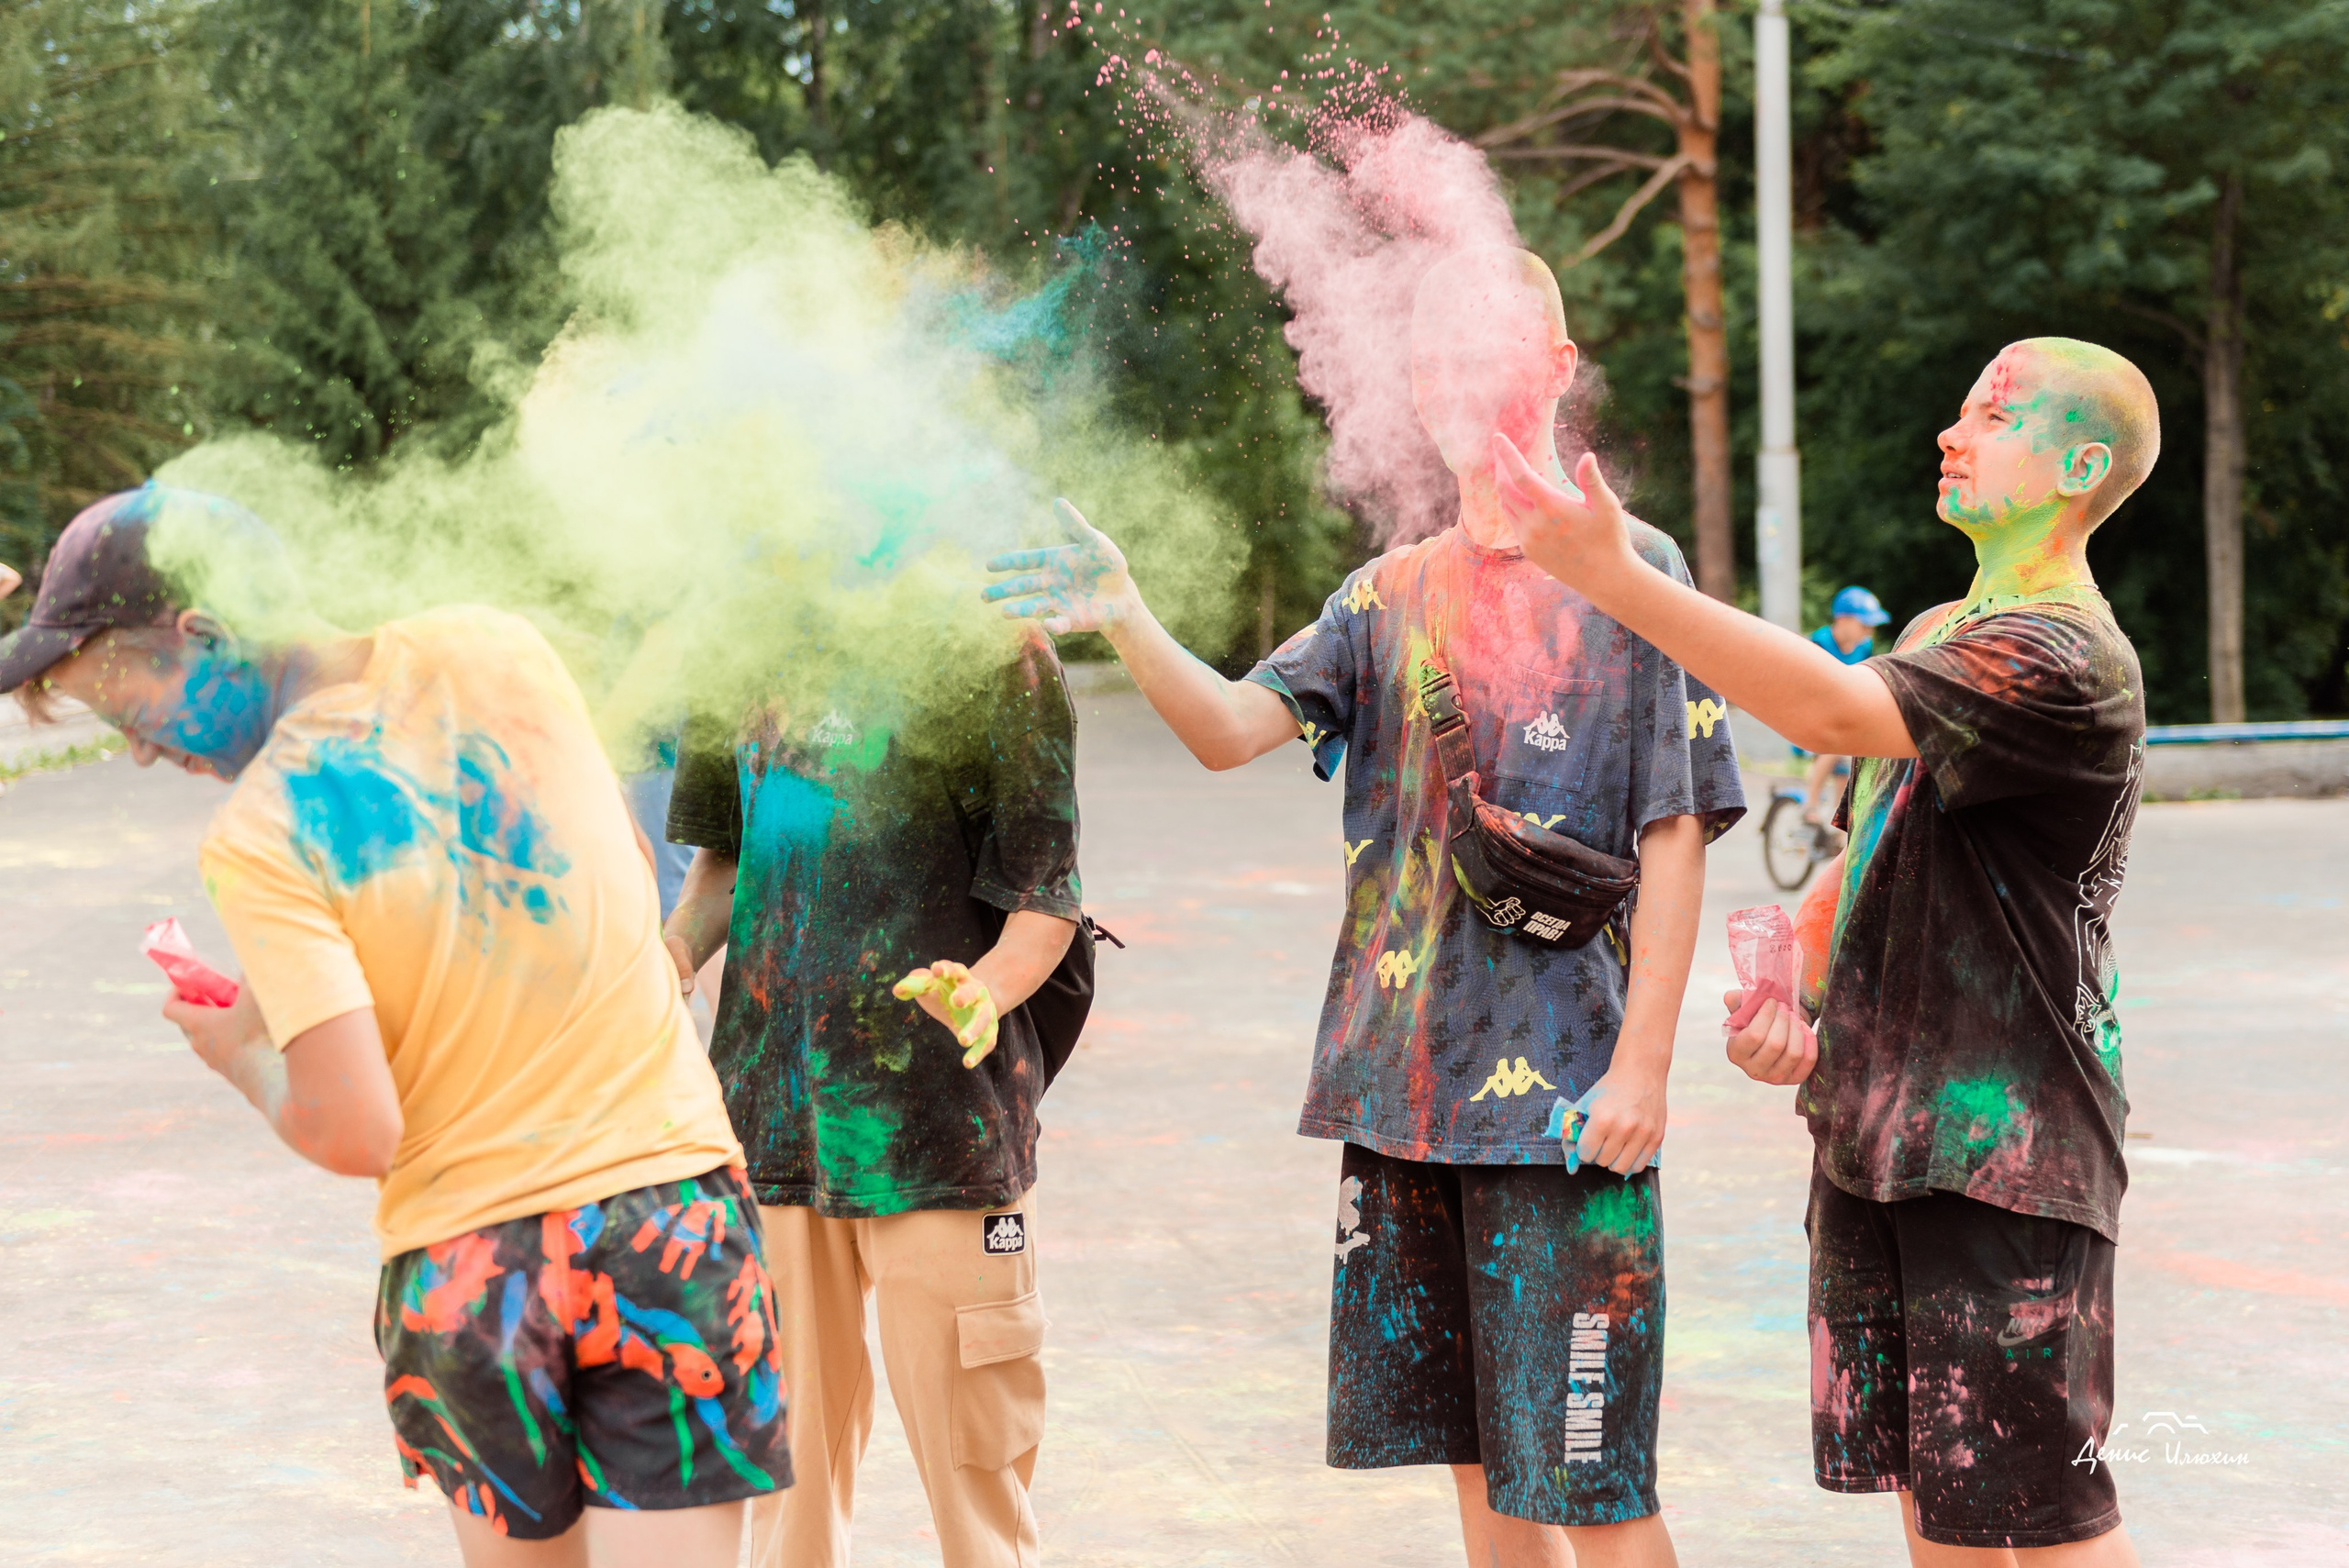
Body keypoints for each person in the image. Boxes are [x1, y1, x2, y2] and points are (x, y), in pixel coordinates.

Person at [984, 245, 1742, 1568]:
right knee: (1475, 1470)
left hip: (1566, 1108)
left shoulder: (1632, 569)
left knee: (1591, 1477)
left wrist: (1644, 1071)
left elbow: (1676, 834)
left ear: (1555, 370)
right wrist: (1124, 612)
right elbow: (1226, 731)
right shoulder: (1382, 592)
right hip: (1403, 1098)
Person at [0, 485, 790, 1566]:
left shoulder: (263, 827)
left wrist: (245, 1055)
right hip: (667, 1221)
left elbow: (355, 1127)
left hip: (473, 1266)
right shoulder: (497, 649)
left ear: (207, 635)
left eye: (130, 711)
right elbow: (608, 869)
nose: (140, 752)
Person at [1491, 337, 2154, 1564]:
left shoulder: (2062, 656)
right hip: (1879, 1139)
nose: (1953, 435)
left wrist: (1617, 576)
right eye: (1961, 412)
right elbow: (1862, 854)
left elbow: (1830, 711)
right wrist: (1792, 995)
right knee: (1937, 1503)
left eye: (1992, 418)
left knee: (2047, 1521)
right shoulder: (1948, 627)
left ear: (2080, 465)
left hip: (2006, 1154)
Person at [658, 623, 1081, 1568]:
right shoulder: (735, 635)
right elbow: (724, 867)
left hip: (946, 1131)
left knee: (979, 1483)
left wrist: (986, 988)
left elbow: (1044, 898)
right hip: (769, 1124)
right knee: (781, 1482)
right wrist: (672, 949)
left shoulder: (995, 647)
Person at [1799, 586, 1891, 827]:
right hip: (1814, 715)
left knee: (1852, 757)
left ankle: (1835, 817)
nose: (1869, 631)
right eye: (1864, 624)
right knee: (1834, 747)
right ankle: (1810, 803)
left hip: (1842, 715)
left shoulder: (1863, 646)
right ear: (1843, 620)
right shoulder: (1819, 643)